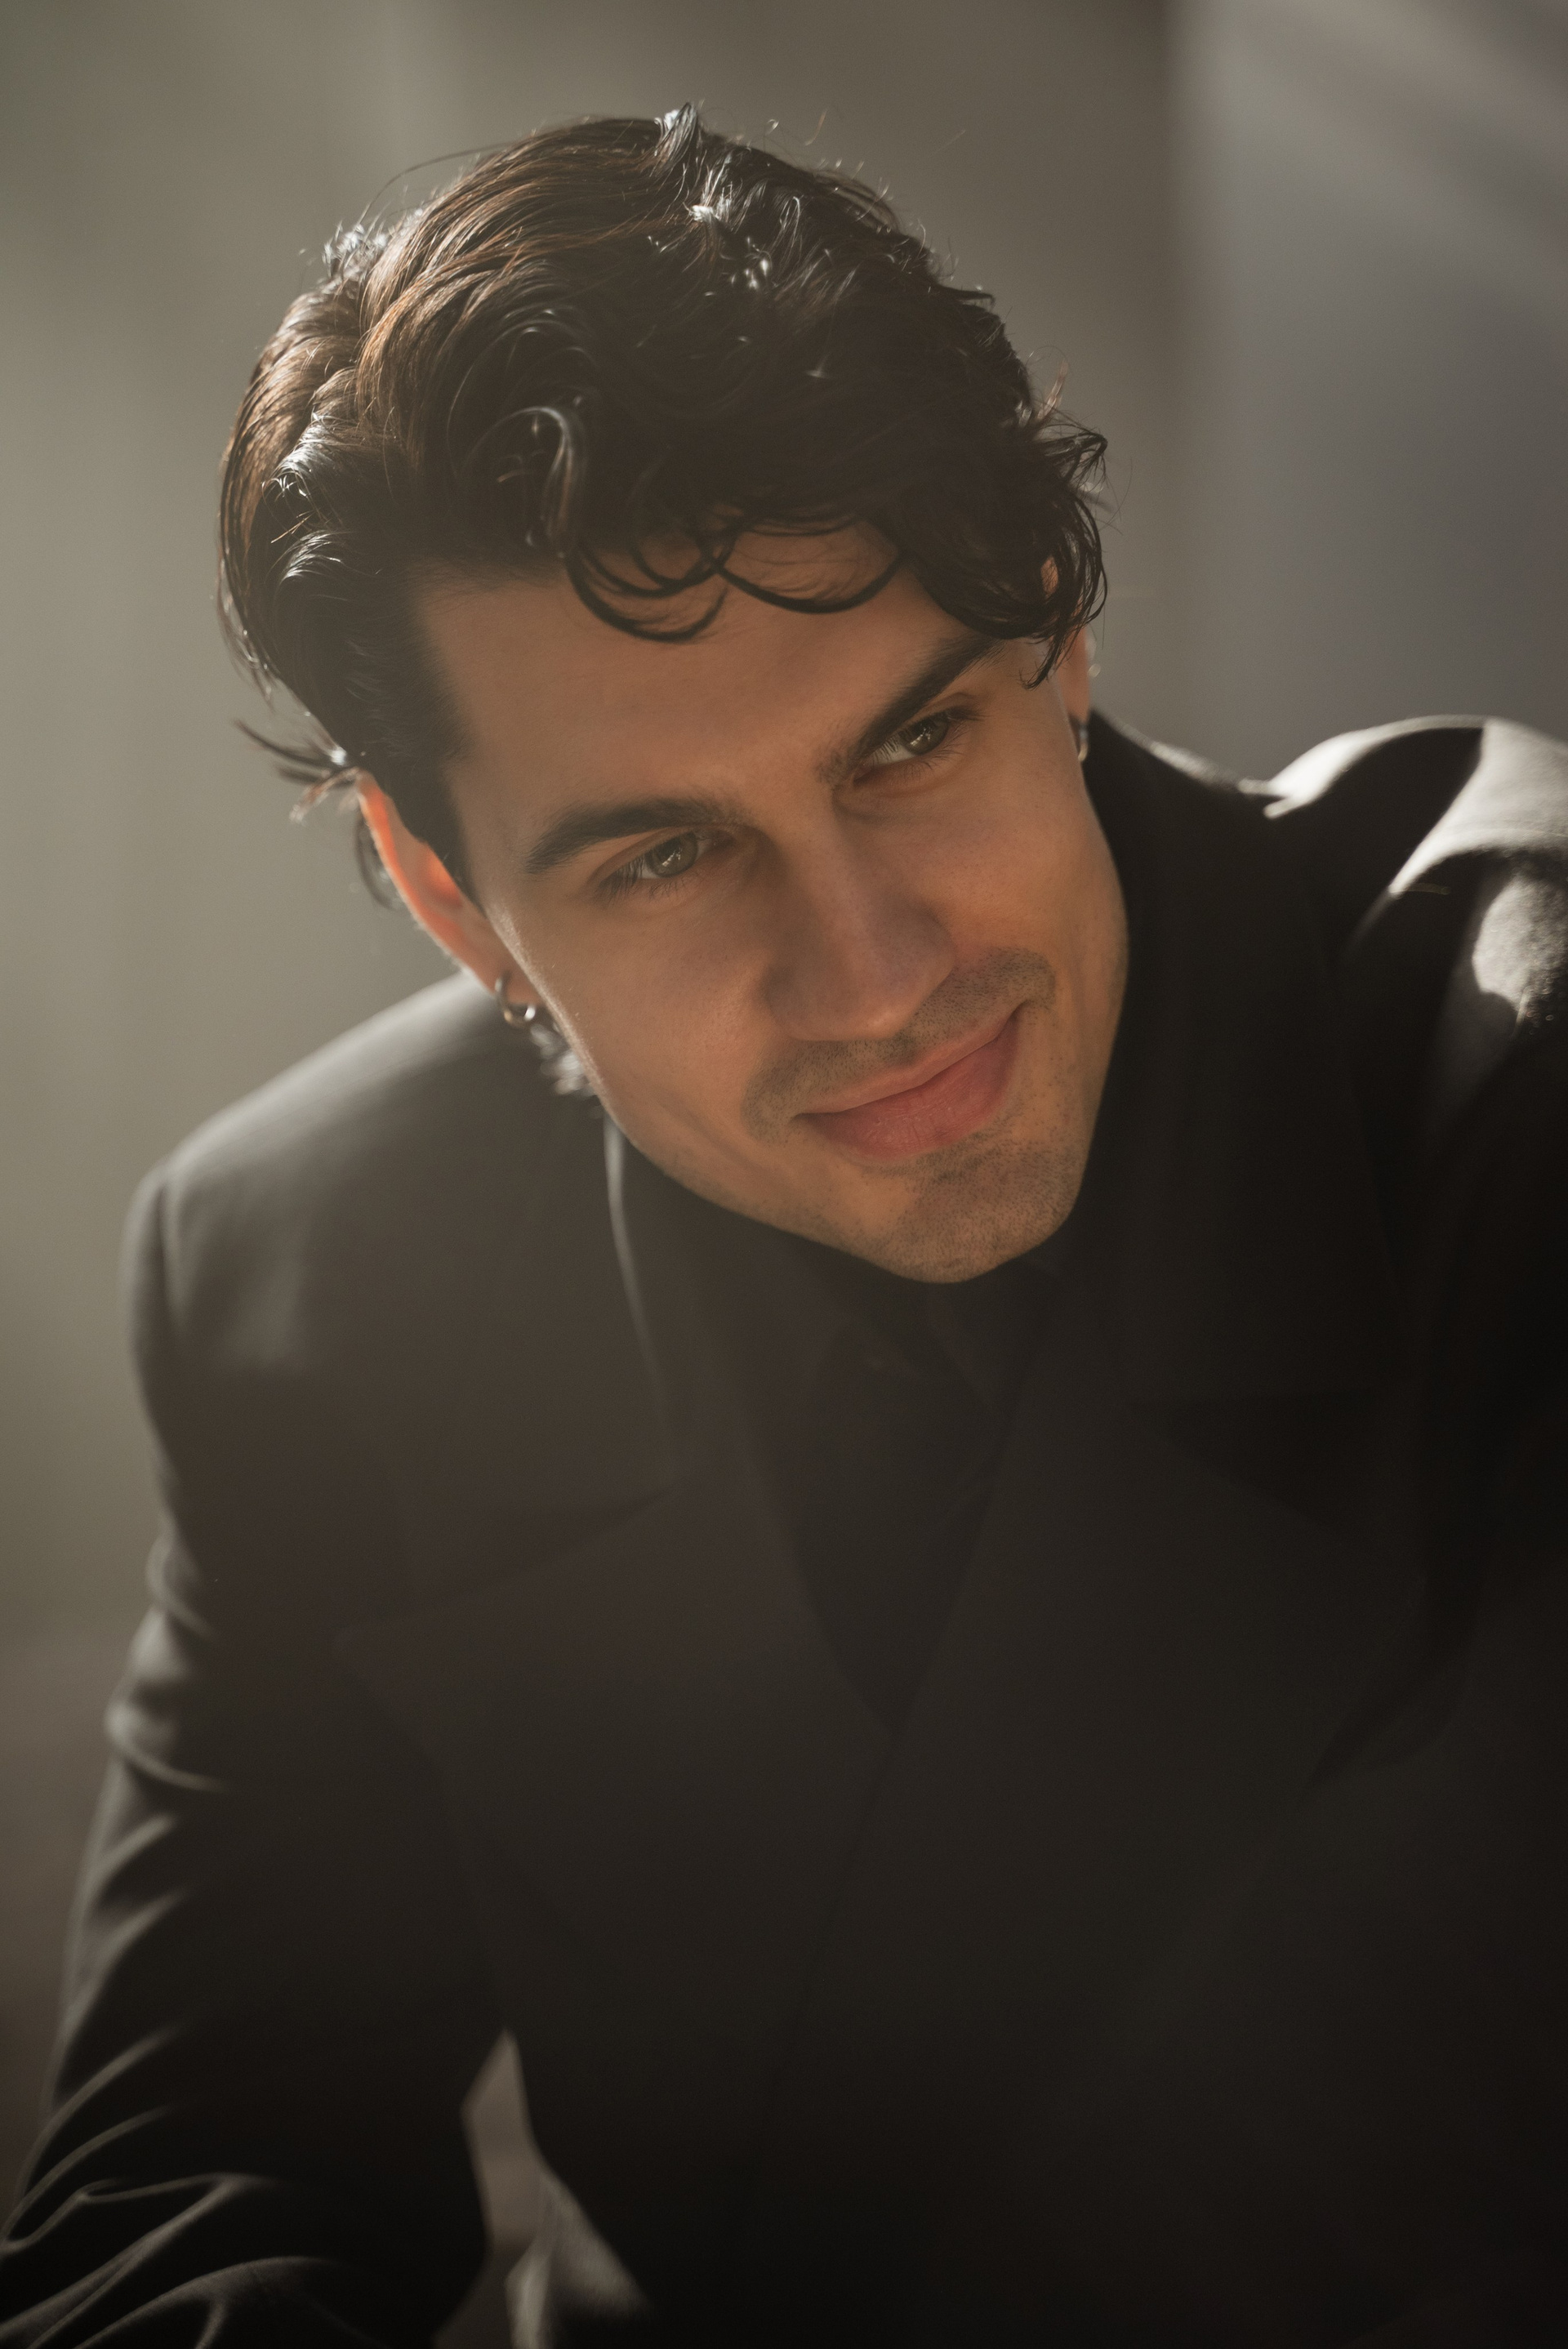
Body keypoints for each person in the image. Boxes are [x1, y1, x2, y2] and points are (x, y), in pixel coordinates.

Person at [3, 104, 1567, 2349]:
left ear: (1063, 639)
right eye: (664, 857)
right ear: (452, 899)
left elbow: (1414, 2152)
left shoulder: (1522, 1091)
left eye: (909, 747)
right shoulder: (325, 1275)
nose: (872, 972)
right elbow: (194, 2182)